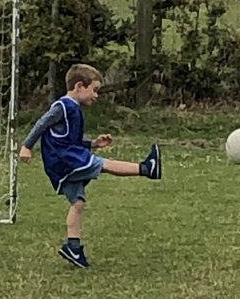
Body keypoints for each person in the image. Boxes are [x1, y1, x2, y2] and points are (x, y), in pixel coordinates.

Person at [19, 63, 162, 268]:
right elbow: (42, 123)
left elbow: (70, 139)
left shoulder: (73, 109)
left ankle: (73, 248)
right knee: (104, 164)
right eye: (94, 90)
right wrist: (26, 146)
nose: (96, 95)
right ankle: (147, 168)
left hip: (64, 159)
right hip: (64, 159)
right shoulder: (63, 106)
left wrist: (93, 143)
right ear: (79, 86)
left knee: (78, 203)